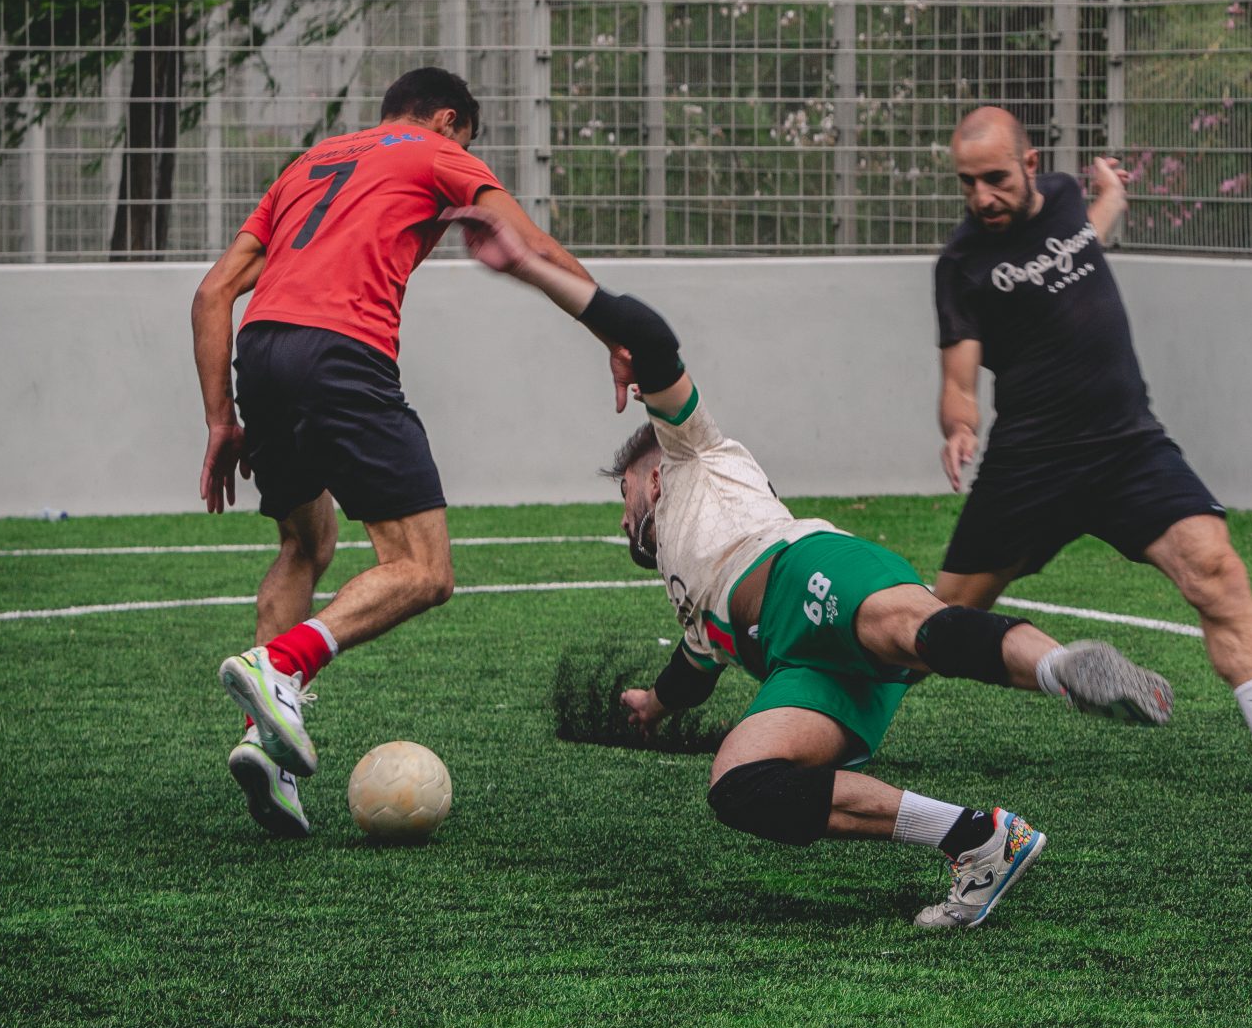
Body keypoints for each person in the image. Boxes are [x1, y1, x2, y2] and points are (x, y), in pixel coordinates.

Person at [445, 202, 1174, 930]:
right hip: (803, 669)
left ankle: (1065, 671)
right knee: (739, 785)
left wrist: (531, 268)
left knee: (910, 626)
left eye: (624, 492)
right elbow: (693, 670)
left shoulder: (691, 449)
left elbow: (651, 337)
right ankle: (979, 838)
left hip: (805, 572)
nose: (623, 513)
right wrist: (654, 705)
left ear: (649, 474)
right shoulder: (693, 599)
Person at [190, 67, 613, 838]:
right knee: (424, 569)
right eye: (467, 141)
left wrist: (222, 417)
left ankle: (267, 748)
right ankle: (281, 665)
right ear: (448, 120)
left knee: (304, 541)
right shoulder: (432, 150)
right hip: (342, 354)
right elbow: (531, 242)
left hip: (262, 351)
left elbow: (214, 291)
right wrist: (617, 329)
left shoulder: (311, 164)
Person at [931, 106, 1252, 802]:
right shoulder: (962, 263)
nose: (982, 196)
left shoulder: (1071, 200)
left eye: (994, 178)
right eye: (967, 183)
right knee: (934, 625)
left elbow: (1084, 239)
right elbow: (959, 378)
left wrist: (1113, 193)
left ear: (1030, 164)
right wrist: (959, 425)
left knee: (1216, 568)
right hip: (1031, 464)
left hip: (1126, 445)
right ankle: (813, 707)